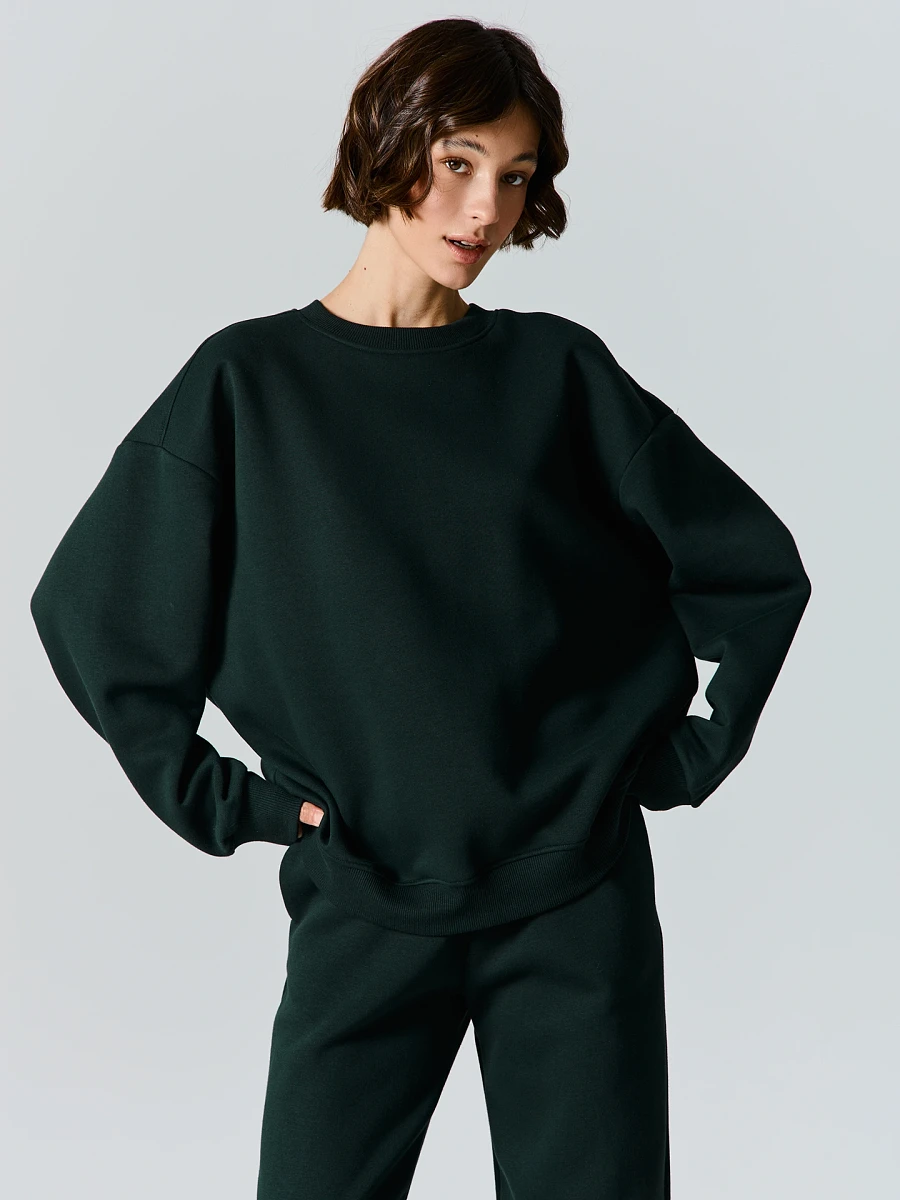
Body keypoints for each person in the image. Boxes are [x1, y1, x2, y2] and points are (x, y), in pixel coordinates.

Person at [28, 17, 812, 1200]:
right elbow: (93, 612)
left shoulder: (558, 375)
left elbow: (751, 569)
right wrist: (230, 802)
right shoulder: (248, 385)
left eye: (517, 176)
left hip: (574, 897)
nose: (486, 209)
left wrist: (693, 752)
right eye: (458, 162)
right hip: (362, 893)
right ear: (387, 144)